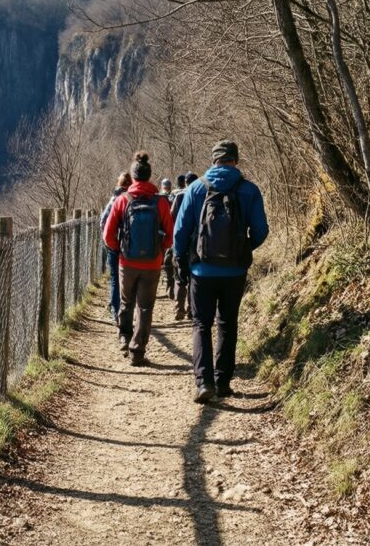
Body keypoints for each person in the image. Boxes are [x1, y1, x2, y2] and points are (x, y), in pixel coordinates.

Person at [173, 140, 268, 403]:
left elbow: (180, 231)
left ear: (214, 161)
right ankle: (223, 381)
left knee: (201, 323)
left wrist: (180, 259)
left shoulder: (195, 188)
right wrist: (244, 247)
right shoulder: (249, 190)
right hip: (235, 271)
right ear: (235, 160)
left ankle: (204, 383)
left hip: (201, 271)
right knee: (227, 324)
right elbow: (261, 230)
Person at [104, 152, 174, 366]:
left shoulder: (122, 200)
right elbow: (170, 235)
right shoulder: (160, 202)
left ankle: (124, 337)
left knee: (127, 302)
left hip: (127, 263)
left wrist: (120, 250)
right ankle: (138, 351)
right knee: (145, 307)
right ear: (150, 176)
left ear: (133, 178)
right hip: (152, 264)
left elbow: (108, 234)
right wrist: (159, 251)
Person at [100, 172, 132, 323]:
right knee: (128, 279)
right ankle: (128, 312)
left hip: (114, 245)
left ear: (119, 183)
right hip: (131, 246)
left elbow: (102, 222)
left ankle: (115, 311)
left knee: (115, 278)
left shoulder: (115, 199)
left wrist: (111, 244)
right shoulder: (133, 199)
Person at [169, 173, 191, 316]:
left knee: (179, 276)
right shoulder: (202, 194)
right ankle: (191, 308)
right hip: (197, 243)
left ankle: (179, 308)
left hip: (179, 240)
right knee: (193, 278)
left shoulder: (180, 196)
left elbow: (172, 219)